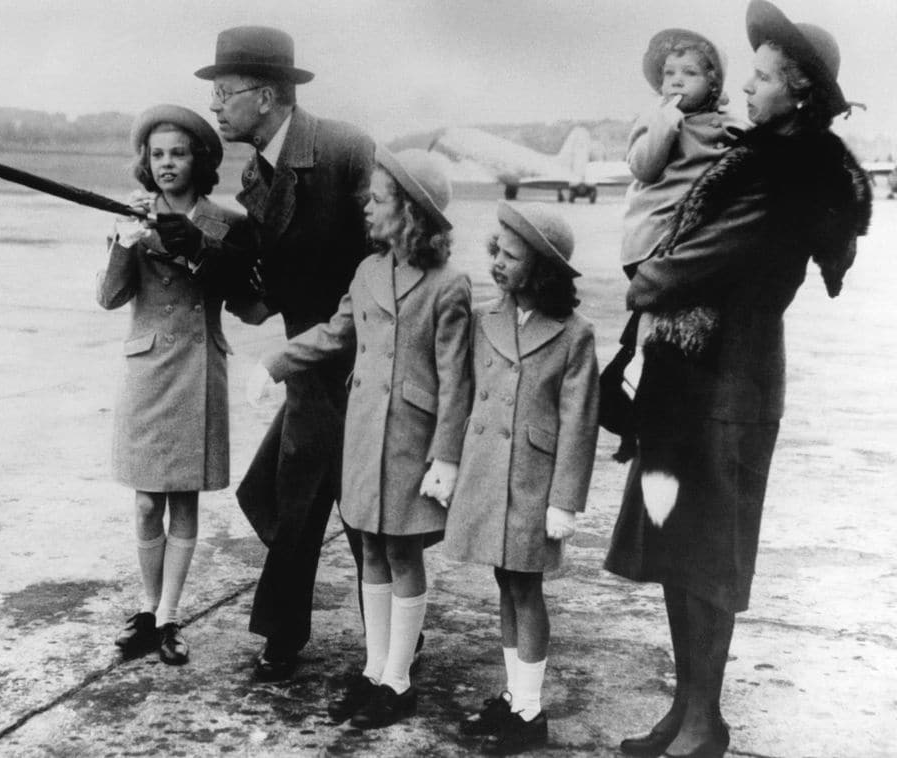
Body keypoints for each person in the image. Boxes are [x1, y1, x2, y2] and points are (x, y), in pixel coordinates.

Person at [605, 2, 873, 757]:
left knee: (708, 558)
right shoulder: (754, 159)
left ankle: (702, 721)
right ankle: (691, 711)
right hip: (689, 381)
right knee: (673, 551)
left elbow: (684, 268)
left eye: (759, 78)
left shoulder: (789, 173)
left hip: (729, 389)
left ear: (798, 93)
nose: (746, 89)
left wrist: (647, 278)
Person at [249, 148, 472, 728]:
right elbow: (335, 334)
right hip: (364, 433)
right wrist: (277, 362)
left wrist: (447, 455)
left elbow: (456, 379)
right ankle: (375, 671)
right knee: (370, 546)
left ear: (410, 211)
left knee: (402, 551)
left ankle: (398, 681)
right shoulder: (368, 272)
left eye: (377, 199)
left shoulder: (449, 286)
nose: (366, 208)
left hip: (412, 442)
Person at [193, 26, 376, 681]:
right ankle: (290, 634)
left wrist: (345, 344)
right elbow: (263, 280)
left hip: (362, 360)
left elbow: (384, 256)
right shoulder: (256, 173)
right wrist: (189, 221)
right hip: (309, 363)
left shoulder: (344, 150)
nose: (215, 107)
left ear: (265, 96)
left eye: (224, 92)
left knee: (353, 508)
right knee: (299, 497)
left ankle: (378, 643)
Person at [98, 104, 251, 666]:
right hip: (147, 370)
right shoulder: (130, 214)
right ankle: (147, 607)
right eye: (157, 154)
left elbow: (245, 294)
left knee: (183, 500)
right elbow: (109, 298)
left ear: (199, 160)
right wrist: (124, 242)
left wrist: (198, 250)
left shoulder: (224, 222)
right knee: (144, 504)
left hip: (196, 368)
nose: (167, 164)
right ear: (146, 162)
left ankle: (168, 618)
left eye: (178, 153)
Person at [445, 202, 599, 755]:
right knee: (505, 586)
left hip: (533, 486)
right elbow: (460, 398)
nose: (498, 264)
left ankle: (530, 712)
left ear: (542, 268)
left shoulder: (573, 333)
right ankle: (516, 696)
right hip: (489, 479)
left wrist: (565, 501)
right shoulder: (488, 320)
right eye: (496, 252)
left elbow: (579, 423)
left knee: (527, 591)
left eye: (512, 257)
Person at [621, 28, 743, 277]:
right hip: (656, 233)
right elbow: (643, 169)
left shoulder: (727, 121)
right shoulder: (654, 118)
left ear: (712, 83)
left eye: (690, 72)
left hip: (700, 229)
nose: (677, 80)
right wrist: (663, 127)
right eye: (669, 73)